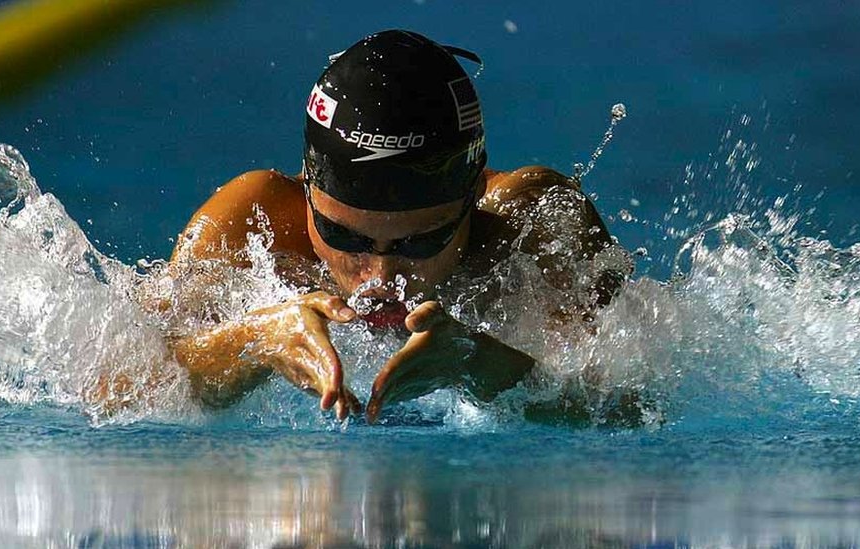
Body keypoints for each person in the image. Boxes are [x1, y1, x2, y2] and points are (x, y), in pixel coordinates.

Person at [161, 30, 630, 423]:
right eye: (345, 236)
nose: (381, 278)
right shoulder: (256, 223)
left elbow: (631, 411)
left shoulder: (530, 227)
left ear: (471, 200)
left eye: (420, 241)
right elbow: (117, 386)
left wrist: (479, 363)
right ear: (307, 193)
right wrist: (254, 339)